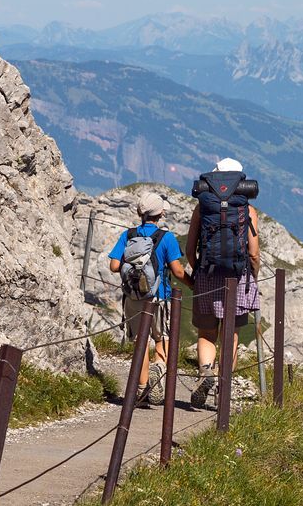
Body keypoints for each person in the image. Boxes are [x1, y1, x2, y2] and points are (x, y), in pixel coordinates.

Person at [185, 158, 261, 409]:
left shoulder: (203, 207)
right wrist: (253, 276)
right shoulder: (248, 211)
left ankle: (206, 372)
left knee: (206, 333)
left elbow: (189, 248)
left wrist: (199, 272)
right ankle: (223, 389)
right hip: (237, 279)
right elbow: (253, 253)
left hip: (207, 275)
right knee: (232, 336)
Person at [108, 192, 193, 405]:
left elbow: (114, 266)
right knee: (161, 337)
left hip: (133, 297)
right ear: (161, 213)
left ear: (140, 212)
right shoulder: (167, 238)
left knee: (140, 342)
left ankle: (141, 389)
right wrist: (194, 284)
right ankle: (159, 371)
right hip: (159, 297)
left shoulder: (128, 235)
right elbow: (177, 271)